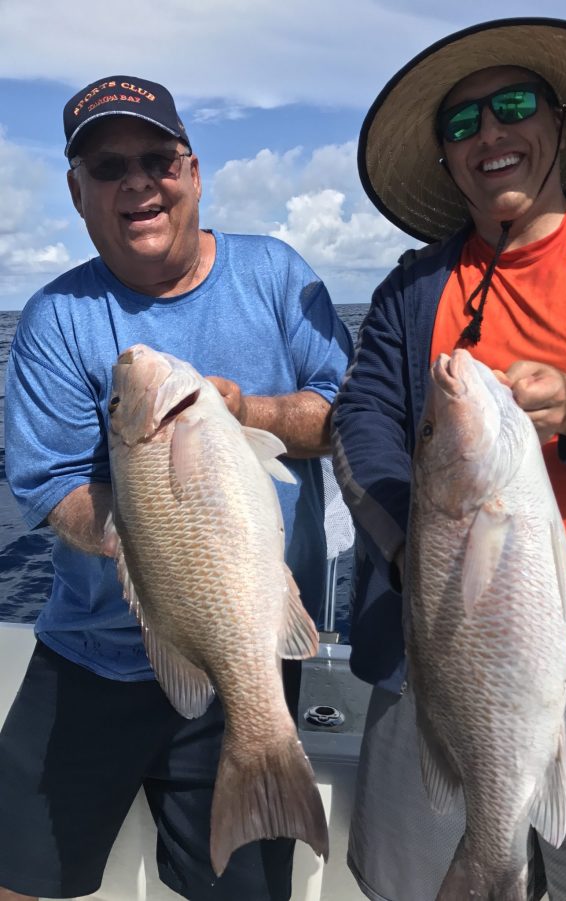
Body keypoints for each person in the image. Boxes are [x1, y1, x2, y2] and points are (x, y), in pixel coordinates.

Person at [0, 75, 352, 901]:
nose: (136, 182)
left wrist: (246, 410)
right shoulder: (56, 318)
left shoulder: (275, 273)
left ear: (192, 171)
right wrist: (157, 537)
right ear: (77, 193)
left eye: (156, 159)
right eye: (107, 166)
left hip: (247, 655)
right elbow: (49, 484)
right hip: (90, 655)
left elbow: (347, 411)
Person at [332, 16, 566, 901]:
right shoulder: (410, 291)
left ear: (560, 122)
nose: (491, 135)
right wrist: (409, 542)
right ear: (445, 160)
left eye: (512, 106)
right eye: (462, 125)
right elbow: (359, 427)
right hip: (436, 669)